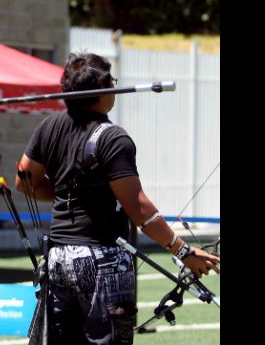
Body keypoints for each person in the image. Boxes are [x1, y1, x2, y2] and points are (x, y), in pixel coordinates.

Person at [16, 52, 220, 344]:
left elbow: (24, 182)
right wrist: (182, 250)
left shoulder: (48, 127)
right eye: (111, 80)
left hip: (59, 258)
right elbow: (138, 208)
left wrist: (66, 193)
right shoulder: (113, 138)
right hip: (103, 261)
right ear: (102, 89)